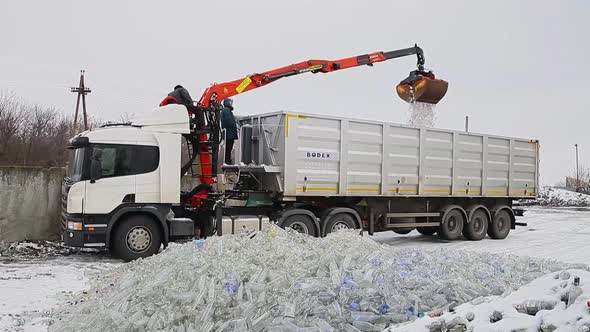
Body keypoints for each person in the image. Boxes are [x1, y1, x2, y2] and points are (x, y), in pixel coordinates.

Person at [220, 98, 238, 164]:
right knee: (229, 148)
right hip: (229, 133)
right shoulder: (227, 110)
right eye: (231, 102)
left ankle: (227, 161)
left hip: (228, 133)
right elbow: (229, 121)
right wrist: (234, 126)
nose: (232, 104)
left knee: (228, 148)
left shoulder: (225, 111)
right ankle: (228, 161)